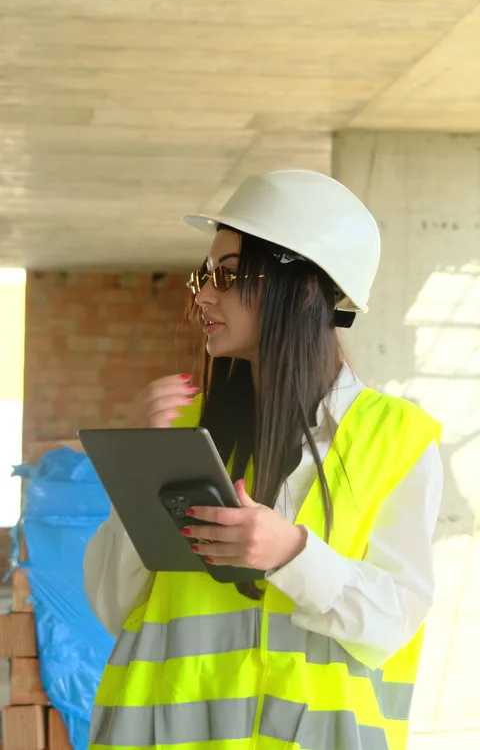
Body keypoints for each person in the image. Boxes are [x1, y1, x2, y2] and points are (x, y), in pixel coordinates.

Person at [84, 169, 443, 750]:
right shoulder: (179, 423)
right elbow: (111, 603)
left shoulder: (397, 440)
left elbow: (394, 622)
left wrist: (293, 555)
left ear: (301, 288)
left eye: (227, 276)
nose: (202, 295)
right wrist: (140, 460)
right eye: (205, 275)